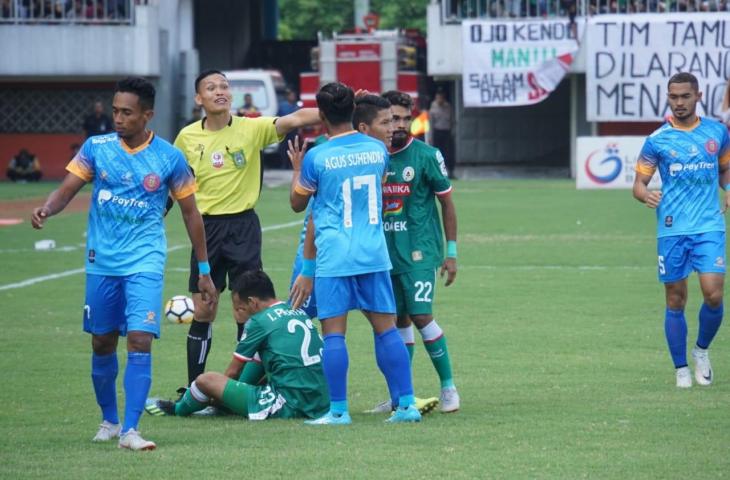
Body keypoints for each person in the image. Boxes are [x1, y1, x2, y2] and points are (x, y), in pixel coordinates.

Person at [30, 77, 217, 450]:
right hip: (102, 262)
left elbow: (191, 214)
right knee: (101, 342)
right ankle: (110, 420)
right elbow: (68, 188)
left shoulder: (168, 157)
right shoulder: (96, 148)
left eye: (126, 113)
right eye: (115, 110)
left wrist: (205, 270)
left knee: (139, 339)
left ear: (147, 115)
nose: (118, 118)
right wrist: (47, 208)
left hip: (145, 259)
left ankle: (131, 431)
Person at [172, 69, 321, 395]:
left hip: (243, 227)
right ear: (199, 98)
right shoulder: (186, 138)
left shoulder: (251, 128)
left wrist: (338, 110)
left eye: (224, 86)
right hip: (205, 228)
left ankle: (246, 386)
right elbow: (174, 182)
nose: (220, 91)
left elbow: (294, 118)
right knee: (204, 308)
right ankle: (194, 387)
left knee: (250, 307)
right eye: (211, 88)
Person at [289, 82, 421, 425]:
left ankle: (338, 411)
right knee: (387, 330)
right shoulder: (378, 151)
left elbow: (299, 205)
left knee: (334, 333)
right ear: (354, 113)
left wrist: (296, 170)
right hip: (373, 254)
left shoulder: (317, 157)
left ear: (320, 115)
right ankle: (406, 406)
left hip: (335, 256)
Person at [633, 72, 730, 388]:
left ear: (698, 96)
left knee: (713, 293)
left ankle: (701, 350)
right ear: (668, 98)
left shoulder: (717, 132)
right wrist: (644, 194)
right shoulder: (657, 140)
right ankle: (681, 370)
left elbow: (725, 169)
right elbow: (639, 183)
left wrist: (728, 187)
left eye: (685, 96)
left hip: (709, 225)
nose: (679, 103)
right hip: (672, 229)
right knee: (675, 300)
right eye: (673, 97)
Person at [372, 90, 460, 413]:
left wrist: (451, 253)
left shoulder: (426, 155)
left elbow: (447, 203)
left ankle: (449, 387)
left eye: (406, 118)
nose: (401, 124)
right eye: (394, 118)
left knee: (422, 316)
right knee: (398, 321)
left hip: (420, 251)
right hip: (384, 252)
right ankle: (401, 395)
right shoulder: (373, 156)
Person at [145, 270, 329, 420]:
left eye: (240, 308)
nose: (239, 313)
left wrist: (217, 393)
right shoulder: (296, 311)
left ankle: (177, 409)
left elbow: (233, 372)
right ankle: (224, 404)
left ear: (252, 302)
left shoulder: (259, 321)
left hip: (291, 404)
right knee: (260, 358)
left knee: (205, 380)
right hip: (322, 401)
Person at [428, 89, 456, 179]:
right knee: (437, 154)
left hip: (447, 132)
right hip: (437, 132)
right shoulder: (433, 107)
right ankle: (438, 173)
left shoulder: (448, 107)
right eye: (438, 97)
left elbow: (452, 120)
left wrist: (453, 132)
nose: (440, 99)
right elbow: (431, 123)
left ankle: (450, 172)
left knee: (449, 153)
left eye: (441, 97)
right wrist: (430, 136)